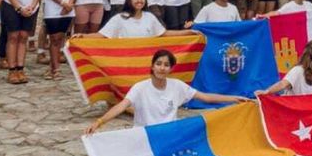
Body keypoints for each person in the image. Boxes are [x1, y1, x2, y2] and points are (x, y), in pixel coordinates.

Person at [84, 49, 248, 133]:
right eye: (159, 64)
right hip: (146, 134)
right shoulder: (140, 87)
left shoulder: (177, 85)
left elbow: (205, 97)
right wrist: (99, 122)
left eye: (166, 65)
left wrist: (234, 98)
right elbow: (121, 106)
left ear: (171, 69)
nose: (162, 68)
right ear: (152, 66)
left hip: (170, 134)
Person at [97, 0, 198, 37]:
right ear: (129, 0)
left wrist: (189, 32)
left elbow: (165, 33)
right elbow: (102, 35)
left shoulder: (150, 17)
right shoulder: (119, 18)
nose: (139, 1)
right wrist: (86, 38)